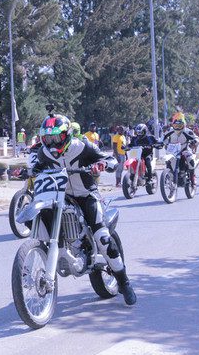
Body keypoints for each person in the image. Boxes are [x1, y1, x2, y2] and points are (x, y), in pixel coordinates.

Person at [30, 114, 136, 305]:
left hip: (86, 195)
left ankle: (124, 282)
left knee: (103, 238)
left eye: (56, 138)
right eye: (48, 139)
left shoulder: (83, 146)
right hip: (59, 197)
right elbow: (37, 167)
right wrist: (25, 171)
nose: (52, 143)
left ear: (67, 135)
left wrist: (103, 165)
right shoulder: (43, 153)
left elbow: (109, 158)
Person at [162, 112, 199, 186]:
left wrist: (195, 141)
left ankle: (192, 179)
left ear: (184, 125)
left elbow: (197, 138)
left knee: (190, 160)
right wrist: (160, 142)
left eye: (180, 126)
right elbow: (162, 137)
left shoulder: (188, 131)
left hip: (184, 150)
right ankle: (168, 174)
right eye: (176, 125)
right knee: (167, 160)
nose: (178, 127)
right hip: (172, 151)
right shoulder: (170, 130)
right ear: (173, 125)